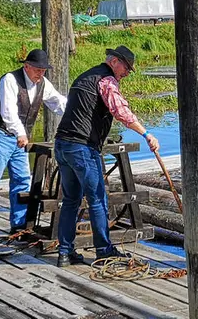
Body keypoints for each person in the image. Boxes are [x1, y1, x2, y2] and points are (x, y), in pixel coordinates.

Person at [54, 46, 159, 267]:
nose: (127, 73)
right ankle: (104, 251)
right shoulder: (106, 80)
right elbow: (120, 111)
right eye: (126, 67)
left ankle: (65, 252)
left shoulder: (85, 77)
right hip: (82, 147)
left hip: (63, 144)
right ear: (113, 61)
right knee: (98, 199)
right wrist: (146, 133)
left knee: (71, 200)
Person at [0, 49, 67, 241]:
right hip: (2, 135)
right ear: (26, 66)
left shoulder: (43, 84)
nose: (41, 74)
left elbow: (58, 102)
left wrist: (76, 111)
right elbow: (8, 112)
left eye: (43, 70)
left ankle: (18, 226)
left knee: (22, 180)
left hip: (21, 139)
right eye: (37, 69)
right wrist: (20, 132)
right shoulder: (10, 80)